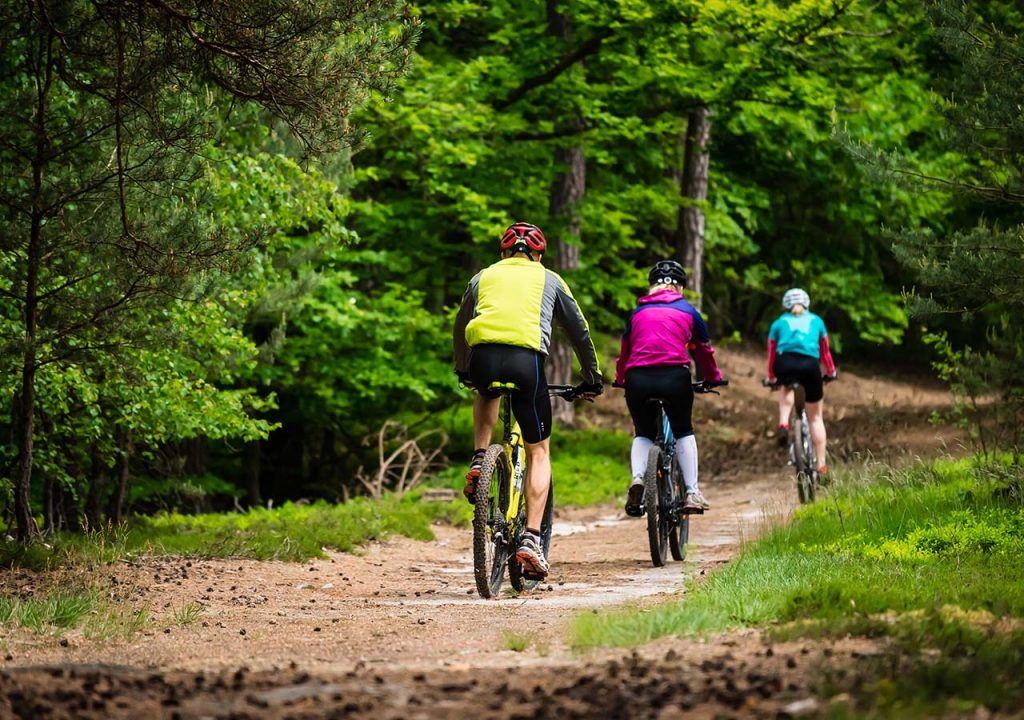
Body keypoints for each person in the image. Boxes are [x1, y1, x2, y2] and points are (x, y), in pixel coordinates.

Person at [453, 221, 603, 579]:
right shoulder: (549, 279)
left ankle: (479, 457)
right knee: (539, 451)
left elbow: (461, 325)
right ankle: (532, 540)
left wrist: (464, 370)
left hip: (484, 357)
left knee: (485, 387)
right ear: (538, 254)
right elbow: (578, 330)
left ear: (503, 252)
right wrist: (592, 377)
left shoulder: (482, 276)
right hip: (527, 364)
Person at [614, 260, 724, 517]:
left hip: (637, 378)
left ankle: (638, 479)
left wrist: (621, 380)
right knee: (683, 430)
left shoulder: (637, 313)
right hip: (674, 377)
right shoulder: (689, 311)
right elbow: (704, 351)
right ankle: (692, 492)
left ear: (652, 286)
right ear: (680, 287)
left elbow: (624, 353)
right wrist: (712, 378)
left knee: (642, 433)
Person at [765, 287, 838, 474]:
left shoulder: (778, 323)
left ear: (785, 306)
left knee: (785, 388)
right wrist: (831, 372)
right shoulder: (817, 321)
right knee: (815, 418)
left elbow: (771, 354)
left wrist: (772, 377)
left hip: (784, 363)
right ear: (807, 304)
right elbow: (825, 353)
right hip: (809, 367)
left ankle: (783, 423)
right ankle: (821, 464)